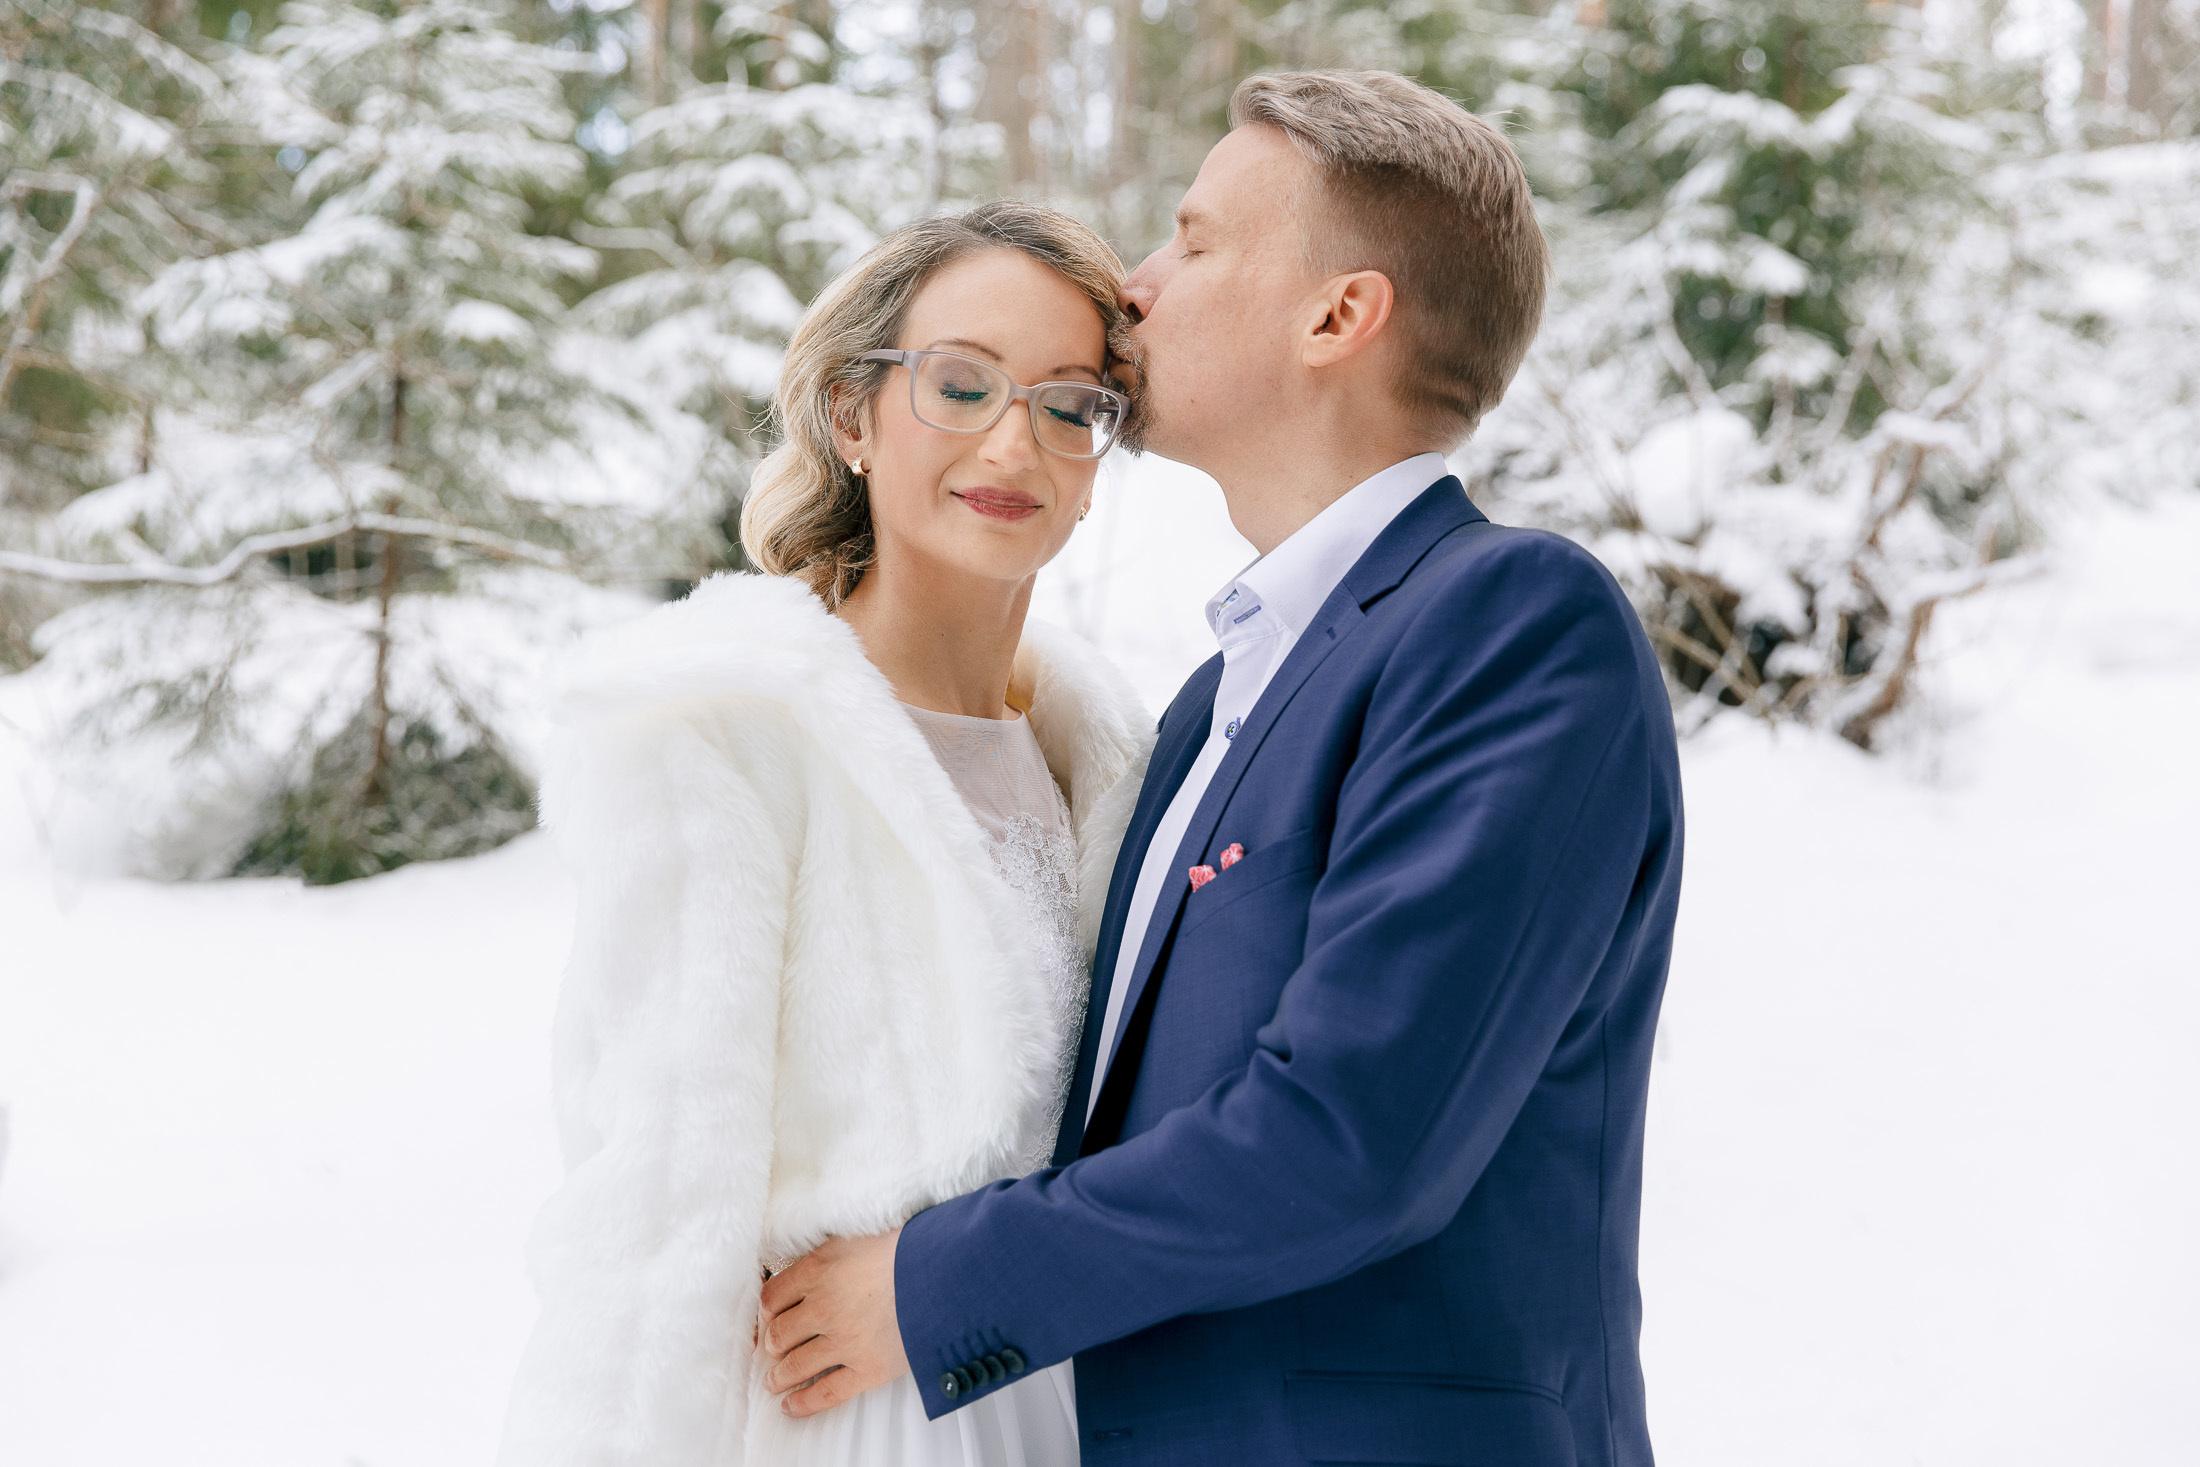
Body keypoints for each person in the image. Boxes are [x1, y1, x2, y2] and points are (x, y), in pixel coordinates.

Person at [755, 70, 1686, 1467]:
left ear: (1336, 315)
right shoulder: (1202, 707)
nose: (1135, 287)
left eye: (1194, 239)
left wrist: (932, 1285)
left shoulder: (1509, 621)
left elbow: (1355, 1135)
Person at [494, 201, 1154, 1467]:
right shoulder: (721, 727)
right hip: (852, 1425)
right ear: (852, 415)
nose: (1013, 441)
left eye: (1070, 404)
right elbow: (654, 1196)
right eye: (960, 385)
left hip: (1081, 1398)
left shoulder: (1111, 751)